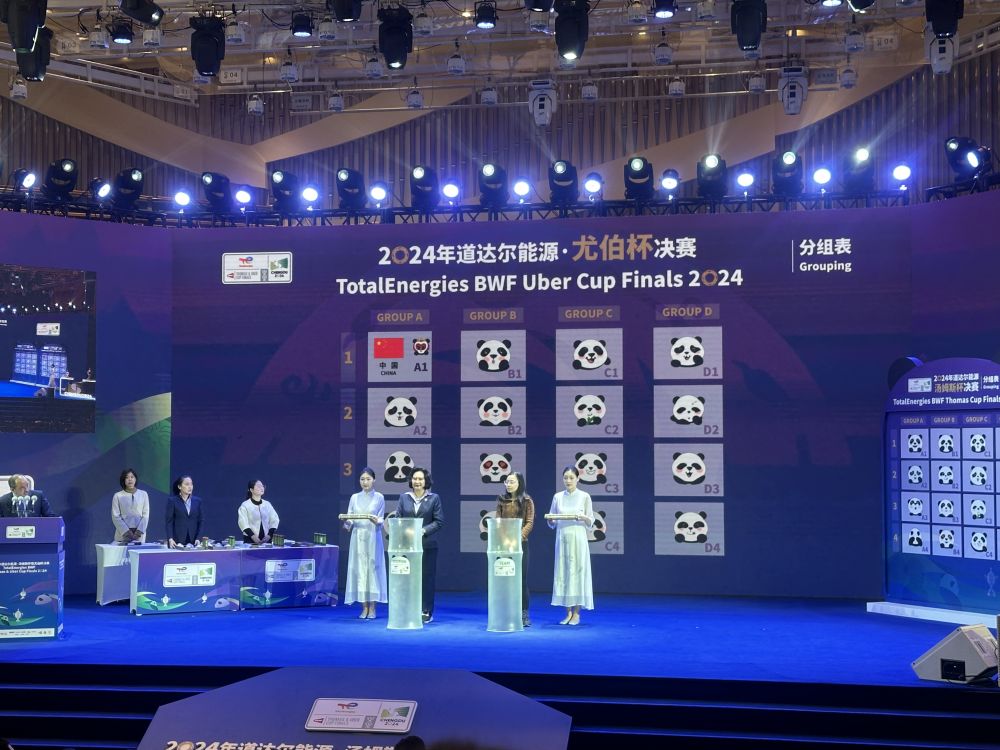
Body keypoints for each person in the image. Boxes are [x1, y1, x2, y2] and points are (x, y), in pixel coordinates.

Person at [394, 467, 444, 623]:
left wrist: (423, 530)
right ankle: (409, 609)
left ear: (426, 481)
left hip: (427, 546)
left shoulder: (434, 498)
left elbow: (439, 521)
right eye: (415, 478)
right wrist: (405, 531)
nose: (417, 481)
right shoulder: (404, 498)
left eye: (420, 479)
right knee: (407, 579)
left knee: (426, 579)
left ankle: (426, 610)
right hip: (407, 547)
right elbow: (398, 518)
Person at [547, 465, 594, 626]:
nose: (568, 481)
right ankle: (567, 612)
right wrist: (550, 520)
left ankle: (577, 613)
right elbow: (552, 520)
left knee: (578, 573)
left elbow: (590, 521)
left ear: (578, 479)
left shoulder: (584, 496)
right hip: (562, 539)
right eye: (565, 478)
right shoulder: (558, 497)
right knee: (564, 572)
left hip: (578, 539)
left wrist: (583, 517)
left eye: (571, 478)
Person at [343, 467, 387, 619]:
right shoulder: (354, 497)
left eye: (368, 479)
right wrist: (346, 523)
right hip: (358, 538)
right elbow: (349, 519)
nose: (365, 482)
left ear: (373, 480)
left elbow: (381, 519)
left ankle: (373, 607)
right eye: (362, 479)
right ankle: (364, 607)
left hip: (373, 537)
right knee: (360, 569)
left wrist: (376, 520)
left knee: (373, 569)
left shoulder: (379, 497)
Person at [495, 471, 535, 627]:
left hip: (521, 544)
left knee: (521, 580)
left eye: (512, 481)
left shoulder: (527, 500)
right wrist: (505, 539)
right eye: (507, 481)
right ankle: (507, 612)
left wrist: (518, 537)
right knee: (506, 579)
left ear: (519, 483)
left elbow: (529, 522)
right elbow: (498, 521)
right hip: (504, 545)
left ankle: (524, 613)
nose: (509, 484)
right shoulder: (501, 499)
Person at [111, 468, 149, 543]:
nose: (130, 479)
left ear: (135, 479)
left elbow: (146, 515)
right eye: (127, 477)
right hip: (122, 536)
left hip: (139, 537)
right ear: (123, 480)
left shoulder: (143, 494)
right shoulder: (118, 496)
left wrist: (138, 532)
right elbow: (115, 516)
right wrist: (126, 532)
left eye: (132, 477)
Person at [237, 479, 280, 544]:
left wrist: (269, 535)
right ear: (251, 490)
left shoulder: (267, 504)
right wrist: (253, 536)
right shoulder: (245, 505)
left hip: (266, 540)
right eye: (258, 486)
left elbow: (275, 519)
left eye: (262, 486)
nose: (262, 488)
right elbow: (242, 523)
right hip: (250, 540)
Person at [165, 474, 203, 547]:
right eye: (187, 484)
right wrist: (170, 538)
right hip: (177, 541)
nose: (190, 487)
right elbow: (169, 522)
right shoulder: (172, 501)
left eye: (191, 484)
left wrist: (198, 538)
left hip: (194, 541)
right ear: (179, 486)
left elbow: (201, 521)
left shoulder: (198, 501)